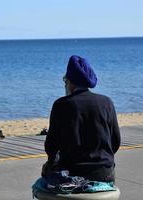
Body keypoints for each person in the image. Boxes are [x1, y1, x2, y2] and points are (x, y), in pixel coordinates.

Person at [43, 55, 121, 183]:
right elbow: (115, 142)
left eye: (65, 81)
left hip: (71, 172)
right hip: (104, 173)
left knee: (47, 171)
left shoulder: (61, 105)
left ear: (70, 82)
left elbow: (51, 147)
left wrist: (54, 162)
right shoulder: (107, 103)